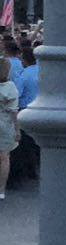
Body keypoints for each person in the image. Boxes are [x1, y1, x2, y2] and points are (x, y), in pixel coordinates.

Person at [0, 57, 18, 201]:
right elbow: (13, 111)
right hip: (5, 124)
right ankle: (1, 190)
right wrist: (17, 130)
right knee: (4, 158)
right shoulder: (11, 87)